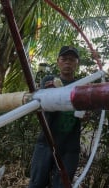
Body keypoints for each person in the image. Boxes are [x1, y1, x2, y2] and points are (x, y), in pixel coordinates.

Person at [29, 46, 83, 188]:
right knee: (36, 183)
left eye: (72, 60)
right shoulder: (49, 81)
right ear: (58, 62)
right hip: (46, 141)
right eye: (64, 59)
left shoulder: (81, 86)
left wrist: (87, 113)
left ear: (77, 63)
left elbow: (88, 110)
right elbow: (42, 101)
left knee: (62, 185)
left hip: (70, 146)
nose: (67, 63)